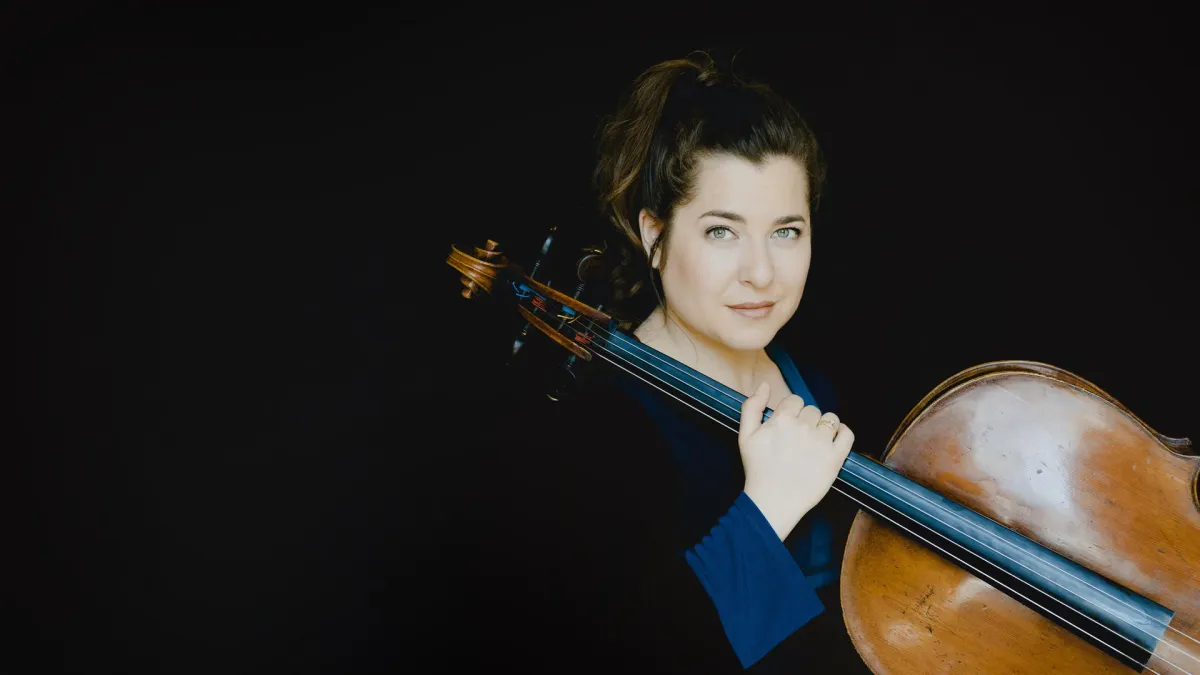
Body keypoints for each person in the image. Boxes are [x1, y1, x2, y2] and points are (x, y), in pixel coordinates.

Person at [467, 52, 866, 674]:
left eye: (786, 231)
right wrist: (769, 505)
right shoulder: (603, 427)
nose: (761, 272)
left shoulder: (809, 383)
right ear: (654, 237)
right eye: (721, 231)